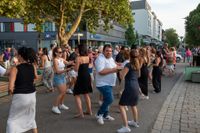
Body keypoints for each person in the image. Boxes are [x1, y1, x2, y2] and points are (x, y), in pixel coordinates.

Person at [6, 47, 38, 133]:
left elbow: (10, 87)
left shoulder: (15, 68)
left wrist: (10, 93)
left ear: (20, 56)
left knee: (12, 120)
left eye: (17, 55)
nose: (16, 56)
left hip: (20, 96)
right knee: (31, 117)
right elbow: (36, 77)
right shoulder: (32, 66)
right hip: (32, 95)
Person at [95, 44, 123, 125]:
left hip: (110, 83)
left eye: (110, 51)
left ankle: (105, 115)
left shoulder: (110, 58)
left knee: (106, 99)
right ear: (103, 51)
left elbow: (115, 66)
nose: (109, 52)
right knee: (110, 99)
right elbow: (101, 71)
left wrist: (121, 66)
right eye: (107, 51)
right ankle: (99, 114)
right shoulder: (100, 59)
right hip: (102, 83)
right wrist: (114, 70)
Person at [117, 49, 141, 133]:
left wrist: (119, 70)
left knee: (121, 105)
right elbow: (138, 75)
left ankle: (126, 126)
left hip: (130, 86)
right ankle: (135, 122)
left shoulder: (128, 64)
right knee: (133, 105)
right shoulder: (138, 64)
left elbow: (121, 77)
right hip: (136, 85)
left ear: (130, 56)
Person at [51, 47, 73, 114]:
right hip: (58, 77)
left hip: (63, 76)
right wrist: (67, 70)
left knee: (64, 92)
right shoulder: (55, 60)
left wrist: (75, 61)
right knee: (61, 92)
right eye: (60, 52)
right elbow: (57, 71)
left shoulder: (61, 59)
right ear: (56, 53)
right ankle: (54, 107)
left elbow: (68, 63)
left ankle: (61, 104)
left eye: (62, 52)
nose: (61, 53)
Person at [73, 44, 93, 118]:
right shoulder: (87, 57)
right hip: (87, 76)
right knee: (86, 94)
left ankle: (80, 113)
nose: (77, 49)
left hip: (81, 77)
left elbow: (76, 69)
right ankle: (89, 111)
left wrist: (74, 65)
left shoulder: (78, 58)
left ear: (80, 49)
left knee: (76, 94)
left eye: (77, 48)